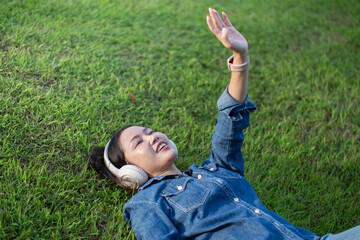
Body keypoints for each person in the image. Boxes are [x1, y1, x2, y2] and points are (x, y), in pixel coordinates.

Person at [88, 8, 360, 240]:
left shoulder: (218, 168)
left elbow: (231, 117)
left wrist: (240, 57)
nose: (152, 137)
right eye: (139, 142)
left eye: (148, 132)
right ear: (130, 173)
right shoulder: (148, 203)